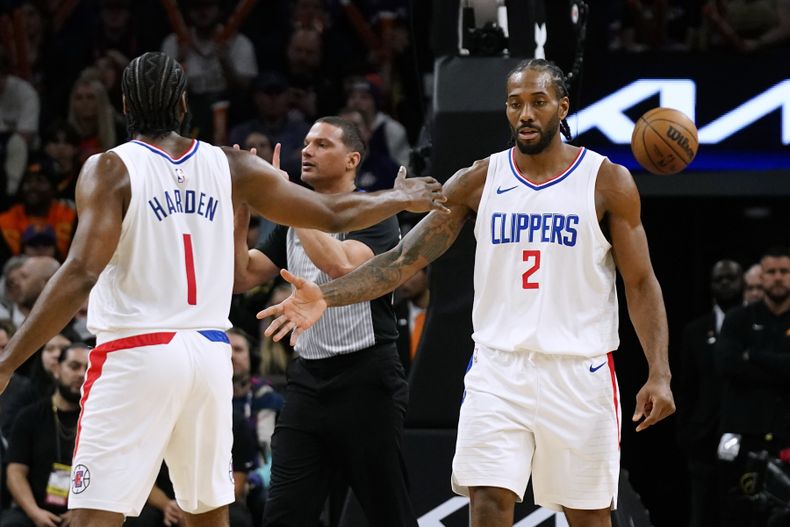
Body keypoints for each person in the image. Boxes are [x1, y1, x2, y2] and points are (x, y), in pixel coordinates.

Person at [0, 51, 445, 527]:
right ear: (184, 103)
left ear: (124, 104)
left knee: (91, 519)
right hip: (209, 357)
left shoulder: (109, 168)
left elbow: (81, 273)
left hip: (136, 350)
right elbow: (334, 214)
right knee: (209, 517)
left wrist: (9, 361)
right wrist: (401, 196)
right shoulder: (230, 165)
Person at [260, 58, 676, 527]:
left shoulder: (607, 182)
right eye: (515, 103)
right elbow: (401, 261)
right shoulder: (478, 180)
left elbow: (641, 283)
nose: (525, 114)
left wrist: (658, 371)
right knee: (488, 502)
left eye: (538, 103)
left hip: (578, 369)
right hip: (498, 370)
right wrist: (326, 295)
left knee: (589, 516)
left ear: (563, 108)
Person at [233, 116, 417, 527]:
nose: (307, 151)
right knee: (282, 515)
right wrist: (245, 206)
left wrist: (283, 197)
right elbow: (240, 276)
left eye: (321, 144)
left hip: (367, 381)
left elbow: (340, 267)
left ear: (352, 159)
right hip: (308, 384)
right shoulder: (287, 215)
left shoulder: (375, 212)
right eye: (306, 144)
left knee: (391, 515)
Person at [715, 246, 790, 527]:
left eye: (784, 272)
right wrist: (780, 367)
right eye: (772, 272)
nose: (778, 278)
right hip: (744, 437)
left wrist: (754, 356)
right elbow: (726, 365)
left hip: (785, 433)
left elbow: (742, 365)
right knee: (739, 514)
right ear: (762, 277)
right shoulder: (738, 319)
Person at [675, 259, 744, 527]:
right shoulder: (694, 331)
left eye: (730, 278)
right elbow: (686, 386)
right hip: (703, 437)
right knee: (701, 513)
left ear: (742, 283)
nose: (725, 283)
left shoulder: (753, 324)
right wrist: (687, 433)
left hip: (745, 432)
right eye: (719, 279)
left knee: (741, 513)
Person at [3, 343, 89, 527]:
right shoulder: (30, 416)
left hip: (82, 513)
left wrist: (81, 512)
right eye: (74, 366)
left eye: (87, 369)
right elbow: (15, 472)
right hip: (34, 509)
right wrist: (34, 512)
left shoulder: (97, 420)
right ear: (57, 369)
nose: (82, 374)